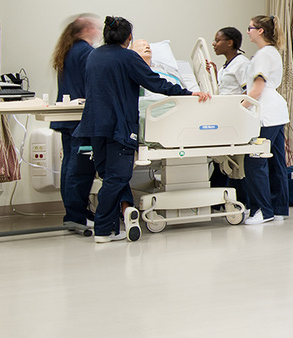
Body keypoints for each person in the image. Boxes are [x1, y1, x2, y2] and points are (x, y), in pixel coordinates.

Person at [73, 15, 209, 244]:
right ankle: (104, 229)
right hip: (119, 126)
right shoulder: (128, 58)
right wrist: (189, 93)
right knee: (118, 176)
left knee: (109, 175)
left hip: (95, 125)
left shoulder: (94, 55)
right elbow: (156, 84)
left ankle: (122, 216)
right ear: (129, 39)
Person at [49, 13, 101, 231]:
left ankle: (75, 213)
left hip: (68, 120)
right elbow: (96, 84)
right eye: (96, 27)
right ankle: (76, 216)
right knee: (80, 169)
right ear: (87, 29)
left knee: (69, 166)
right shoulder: (87, 52)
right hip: (81, 121)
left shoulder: (68, 50)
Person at [244, 15, 292, 225]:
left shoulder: (264, 54)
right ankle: (278, 209)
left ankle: (263, 211)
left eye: (250, 28)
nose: (248, 32)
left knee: (255, 161)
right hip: (276, 112)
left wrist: (238, 109)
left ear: (260, 31)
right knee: (275, 161)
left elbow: (257, 89)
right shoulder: (272, 52)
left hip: (265, 112)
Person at [207, 26, 251, 95]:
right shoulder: (224, 68)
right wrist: (214, 74)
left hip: (235, 105)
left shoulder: (242, 63)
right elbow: (224, 89)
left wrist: (238, 104)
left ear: (229, 43)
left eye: (217, 41)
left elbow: (249, 91)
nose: (213, 44)